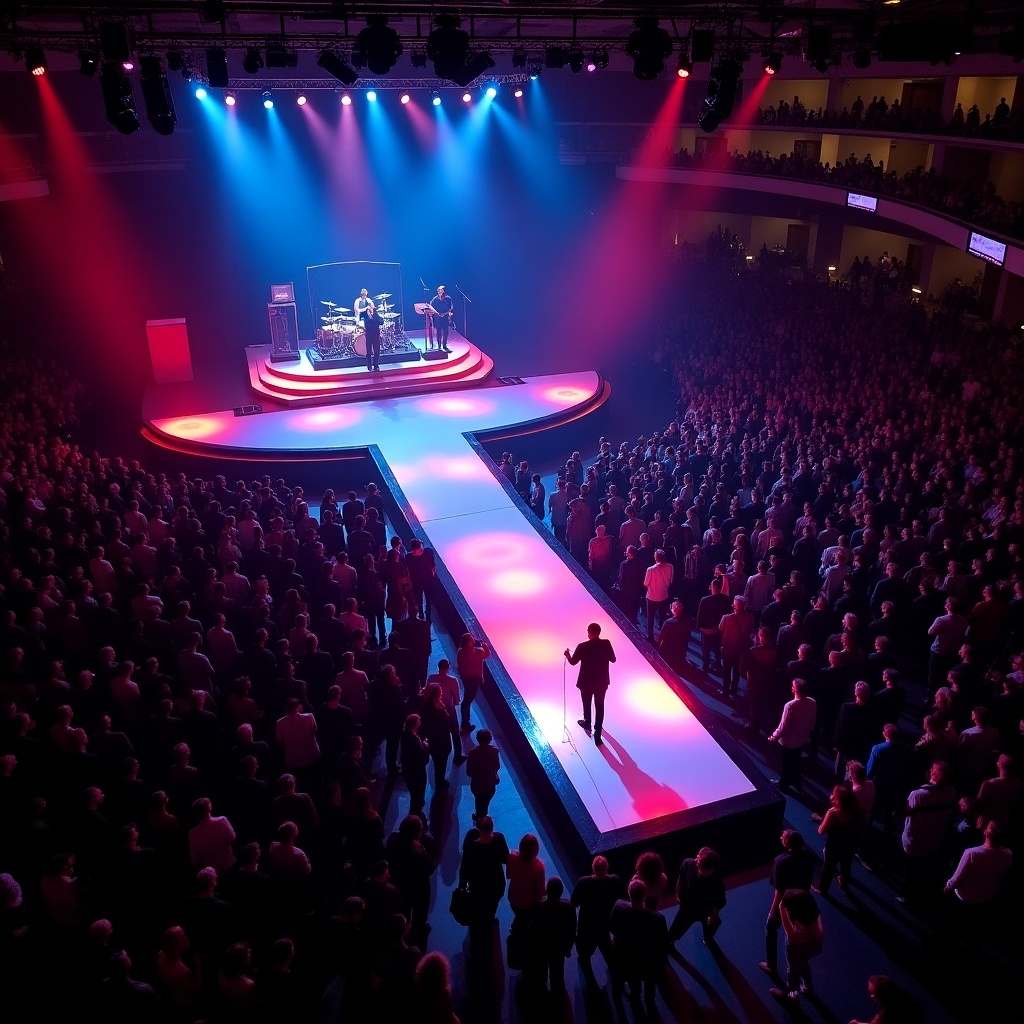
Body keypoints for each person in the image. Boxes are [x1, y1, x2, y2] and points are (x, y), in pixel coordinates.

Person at [761, 829, 816, 980]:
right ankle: (806, 981)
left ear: (787, 843)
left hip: (787, 902)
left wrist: (773, 911)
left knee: (770, 928)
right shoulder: (810, 856)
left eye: (783, 837)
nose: (780, 837)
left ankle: (771, 965)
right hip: (803, 899)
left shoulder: (780, 861)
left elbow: (779, 890)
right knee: (797, 937)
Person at [609, 878, 667, 1017]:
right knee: (649, 986)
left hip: (628, 959)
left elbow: (612, 928)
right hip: (649, 962)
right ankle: (650, 1006)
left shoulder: (619, 906)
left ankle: (637, 1005)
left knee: (634, 987)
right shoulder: (657, 919)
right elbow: (663, 944)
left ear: (629, 893)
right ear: (644, 895)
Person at [570, 855, 623, 979]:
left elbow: (574, 901)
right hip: (605, 923)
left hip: (587, 923)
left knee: (584, 952)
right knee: (608, 950)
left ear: (593, 868)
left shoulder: (584, 882)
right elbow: (618, 898)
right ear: (607, 868)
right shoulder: (614, 880)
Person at [564, 622, 616, 746]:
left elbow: (573, 662)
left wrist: (567, 655)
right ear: (599, 632)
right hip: (602, 681)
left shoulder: (582, 646)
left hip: (586, 682)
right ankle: (598, 734)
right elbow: (613, 659)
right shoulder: (606, 643)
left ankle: (587, 723)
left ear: (589, 632)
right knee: (600, 706)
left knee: (586, 703)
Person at [769, 888, 823, 1002]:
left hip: (796, 949)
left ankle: (792, 996)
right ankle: (808, 987)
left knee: (793, 971)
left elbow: (790, 935)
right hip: (814, 948)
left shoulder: (797, 933)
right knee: (803, 964)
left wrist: (781, 909)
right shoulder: (815, 915)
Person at [668, 846, 726, 944]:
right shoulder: (688, 863)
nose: (696, 860)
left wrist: (713, 915)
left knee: (711, 928)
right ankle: (670, 940)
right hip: (687, 908)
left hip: (707, 910)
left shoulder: (716, 880)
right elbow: (681, 878)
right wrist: (678, 894)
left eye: (698, 859)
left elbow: (719, 901)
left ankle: (707, 938)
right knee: (674, 932)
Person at [768, 678, 817, 792]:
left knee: (786, 763)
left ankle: (783, 784)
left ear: (795, 690)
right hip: (802, 738)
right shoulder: (812, 702)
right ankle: (796, 782)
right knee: (796, 760)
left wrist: (774, 737)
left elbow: (783, 726)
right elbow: (812, 721)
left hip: (789, 741)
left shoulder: (790, 705)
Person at [815, 785, 863, 897]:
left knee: (828, 867)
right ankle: (844, 884)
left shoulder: (833, 813)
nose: (831, 796)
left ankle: (823, 889)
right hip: (850, 844)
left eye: (833, 795)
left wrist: (824, 821)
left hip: (834, 846)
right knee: (846, 865)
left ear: (839, 800)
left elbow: (821, 830)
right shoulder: (857, 811)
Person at [456, 633, 490, 734]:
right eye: (471, 639)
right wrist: (485, 646)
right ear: (468, 643)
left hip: (466, 679)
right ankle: (465, 725)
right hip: (473, 680)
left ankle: (465, 723)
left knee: (467, 700)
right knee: (467, 701)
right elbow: (487, 654)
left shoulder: (460, 652)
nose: (473, 640)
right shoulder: (477, 652)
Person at [465, 728, 500, 820]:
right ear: (490, 739)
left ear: (477, 739)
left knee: (478, 800)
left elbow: (469, 772)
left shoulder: (472, 753)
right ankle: (483, 817)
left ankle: (479, 816)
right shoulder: (494, 751)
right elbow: (497, 766)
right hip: (490, 784)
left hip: (477, 785)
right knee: (486, 802)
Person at [429, 284, 454, 352]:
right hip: (437, 317)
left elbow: (450, 309)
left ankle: (444, 345)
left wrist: (445, 314)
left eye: (440, 290)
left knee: (445, 331)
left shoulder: (448, 298)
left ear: (444, 291)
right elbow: (431, 307)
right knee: (438, 331)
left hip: (445, 317)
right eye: (438, 290)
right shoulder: (435, 299)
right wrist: (435, 313)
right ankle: (439, 346)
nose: (438, 291)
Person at [362, 300, 383, 372]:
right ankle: (369, 365)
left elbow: (381, 322)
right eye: (371, 306)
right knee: (369, 351)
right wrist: (372, 314)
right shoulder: (365, 315)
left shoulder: (376, 314)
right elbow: (369, 322)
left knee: (377, 351)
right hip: (369, 335)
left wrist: (375, 313)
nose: (373, 307)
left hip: (376, 335)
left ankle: (376, 365)